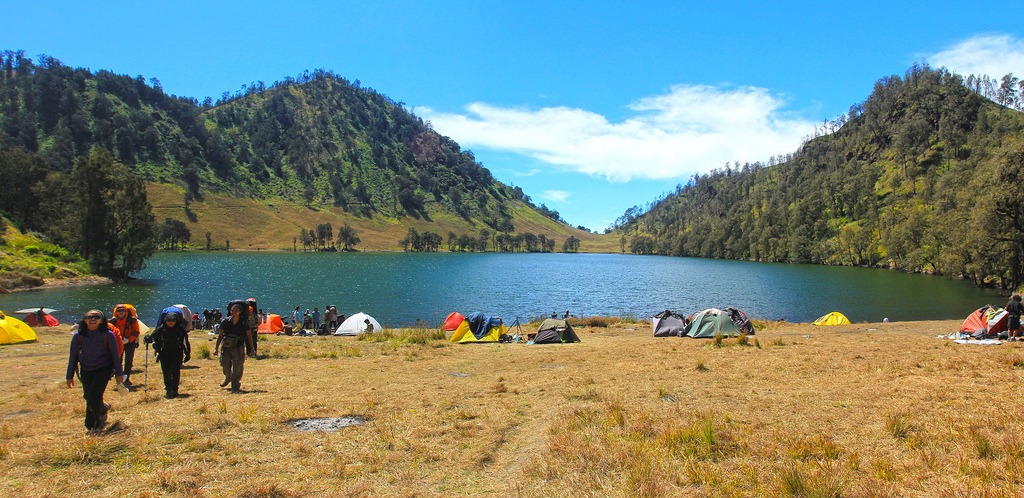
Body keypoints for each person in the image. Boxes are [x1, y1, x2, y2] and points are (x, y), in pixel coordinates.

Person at [66, 310, 126, 435]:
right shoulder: (78, 336)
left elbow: (115, 356)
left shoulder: (108, 335)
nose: (93, 319)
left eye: (96, 317)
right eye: (89, 317)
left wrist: (119, 373)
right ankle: (103, 408)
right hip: (86, 369)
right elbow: (73, 356)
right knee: (88, 396)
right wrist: (69, 375)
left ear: (102, 320)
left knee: (94, 396)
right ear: (85, 320)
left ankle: (93, 425)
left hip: (103, 369)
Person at [149, 307, 191, 398]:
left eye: (172, 321)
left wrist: (187, 353)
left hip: (177, 352)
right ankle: (168, 389)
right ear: (165, 320)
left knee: (175, 371)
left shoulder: (180, 329)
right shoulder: (161, 329)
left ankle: (175, 389)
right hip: (164, 353)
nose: (170, 323)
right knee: (166, 371)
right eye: (168, 321)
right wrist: (148, 339)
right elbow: (152, 337)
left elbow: (185, 341)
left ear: (176, 320)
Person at [215, 301, 255, 391]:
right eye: (232, 310)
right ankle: (227, 377)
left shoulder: (244, 323)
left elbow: (249, 335)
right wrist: (216, 348)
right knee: (225, 364)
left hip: (238, 346)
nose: (233, 312)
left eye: (236, 310)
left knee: (238, 365)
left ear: (240, 312)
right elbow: (220, 335)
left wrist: (251, 348)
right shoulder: (225, 321)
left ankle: (235, 383)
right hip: (226, 346)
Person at [110, 304, 141, 386]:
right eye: (119, 311)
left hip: (129, 343)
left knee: (129, 361)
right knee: (117, 361)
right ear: (116, 312)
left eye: (123, 311)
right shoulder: (112, 321)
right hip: (118, 343)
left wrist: (129, 340)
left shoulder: (133, 320)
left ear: (126, 312)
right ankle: (119, 378)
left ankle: (126, 379)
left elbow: (136, 332)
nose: (121, 312)